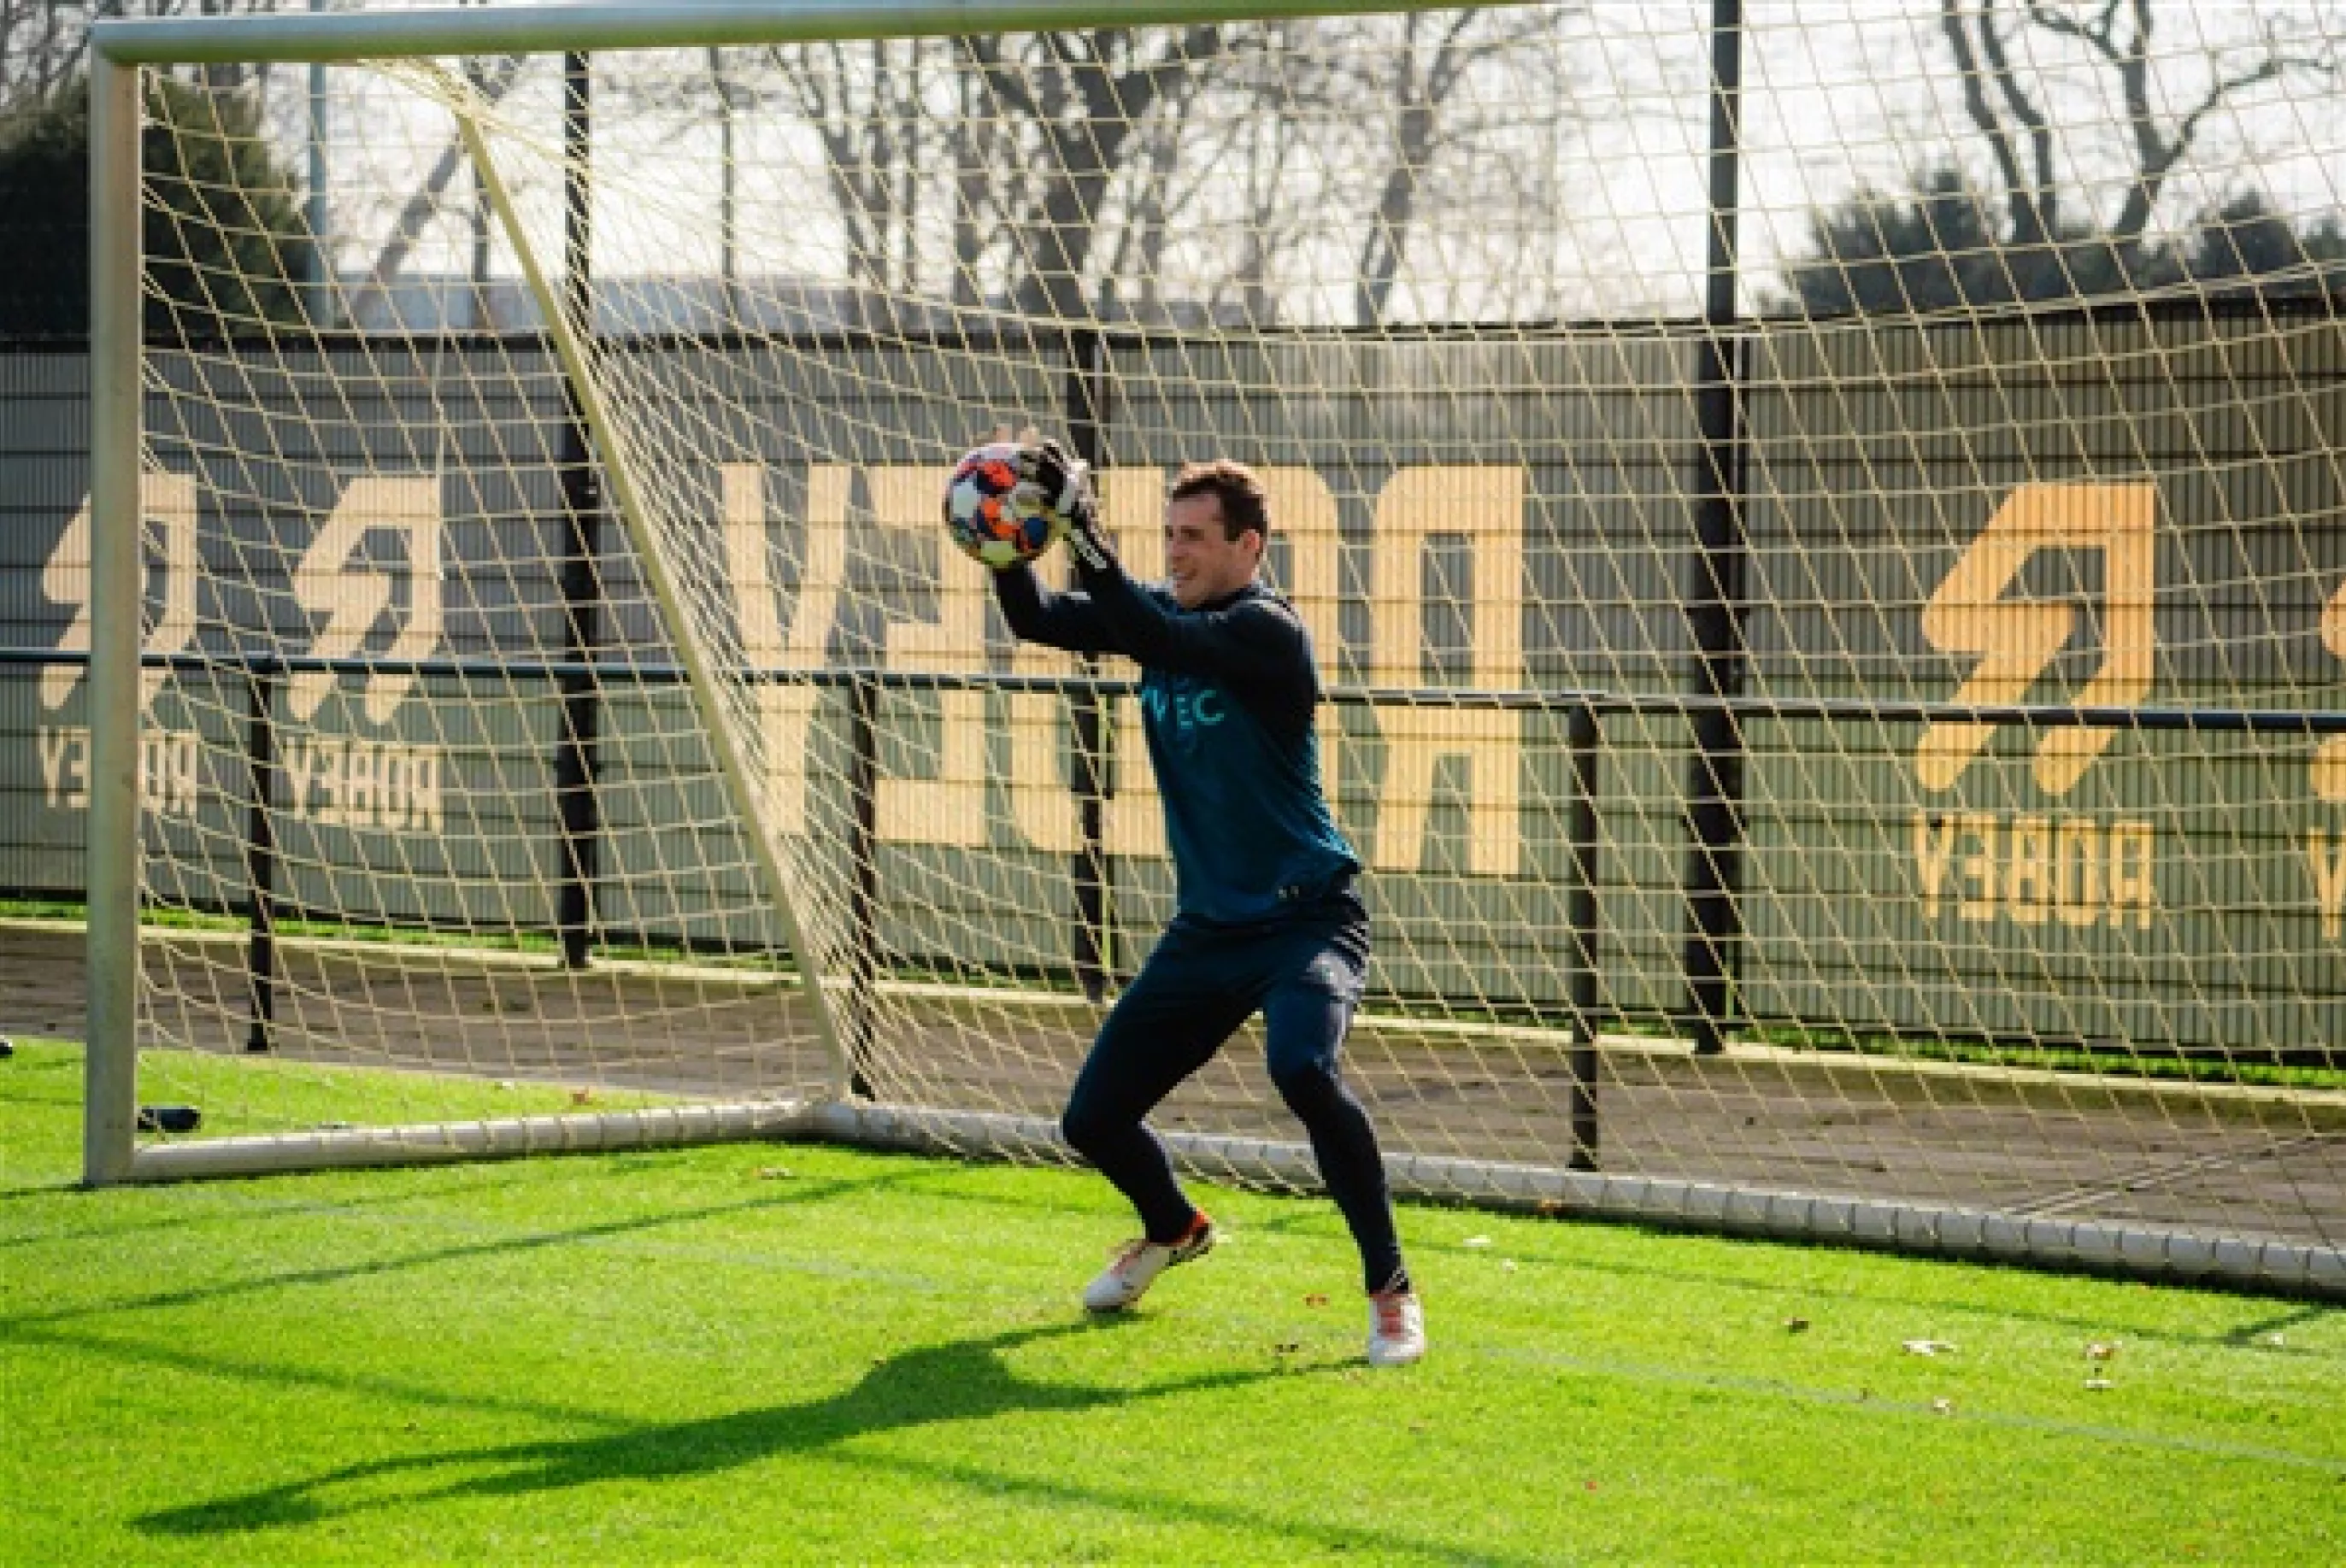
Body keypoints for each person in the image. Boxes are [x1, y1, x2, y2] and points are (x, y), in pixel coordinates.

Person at [980, 443, 1425, 1368]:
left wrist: (1087, 532)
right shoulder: (1156, 614)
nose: (1175, 551)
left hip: (1306, 917)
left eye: (1193, 536)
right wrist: (1003, 540)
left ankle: (1391, 1290)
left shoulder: (1268, 631)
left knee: (1303, 1068)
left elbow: (1166, 639)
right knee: (1091, 1120)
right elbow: (1036, 620)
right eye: (1167, 534)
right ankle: (1174, 1224)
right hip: (1210, 929)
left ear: (1248, 546)